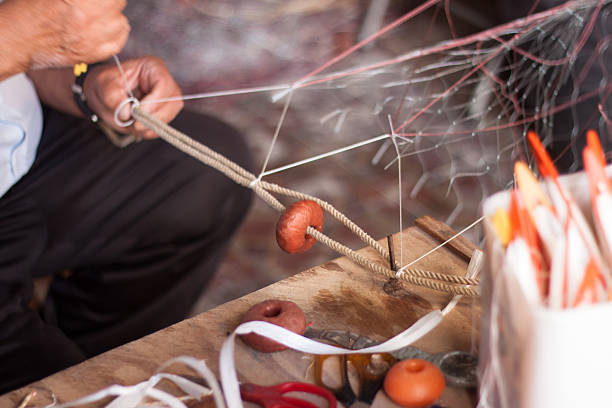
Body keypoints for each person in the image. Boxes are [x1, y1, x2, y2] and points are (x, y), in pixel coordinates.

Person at [0, 0, 253, 393]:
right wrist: (15, 37)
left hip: (19, 153)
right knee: (62, 394)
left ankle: (102, 363)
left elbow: (18, 65)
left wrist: (86, 86)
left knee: (204, 175)